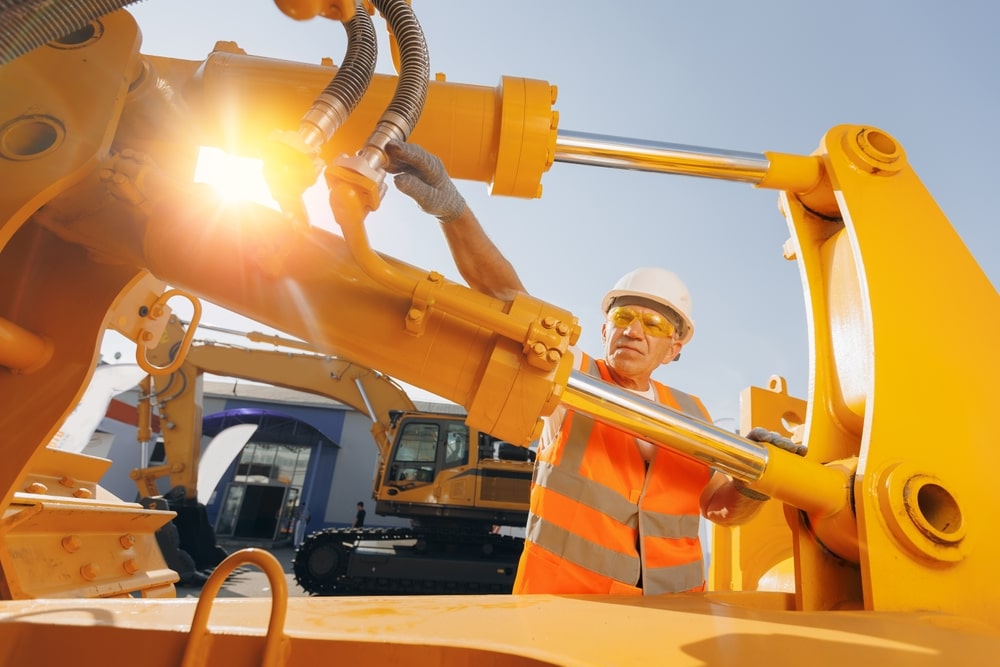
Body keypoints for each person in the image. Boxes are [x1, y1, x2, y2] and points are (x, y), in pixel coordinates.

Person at [384, 140, 802, 595]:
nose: (634, 331)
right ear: (604, 331)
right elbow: (507, 299)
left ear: (674, 347)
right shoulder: (571, 378)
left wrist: (758, 478)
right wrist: (452, 209)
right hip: (564, 613)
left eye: (653, 322)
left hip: (674, 619)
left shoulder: (693, 415)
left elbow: (719, 509)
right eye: (622, 317)